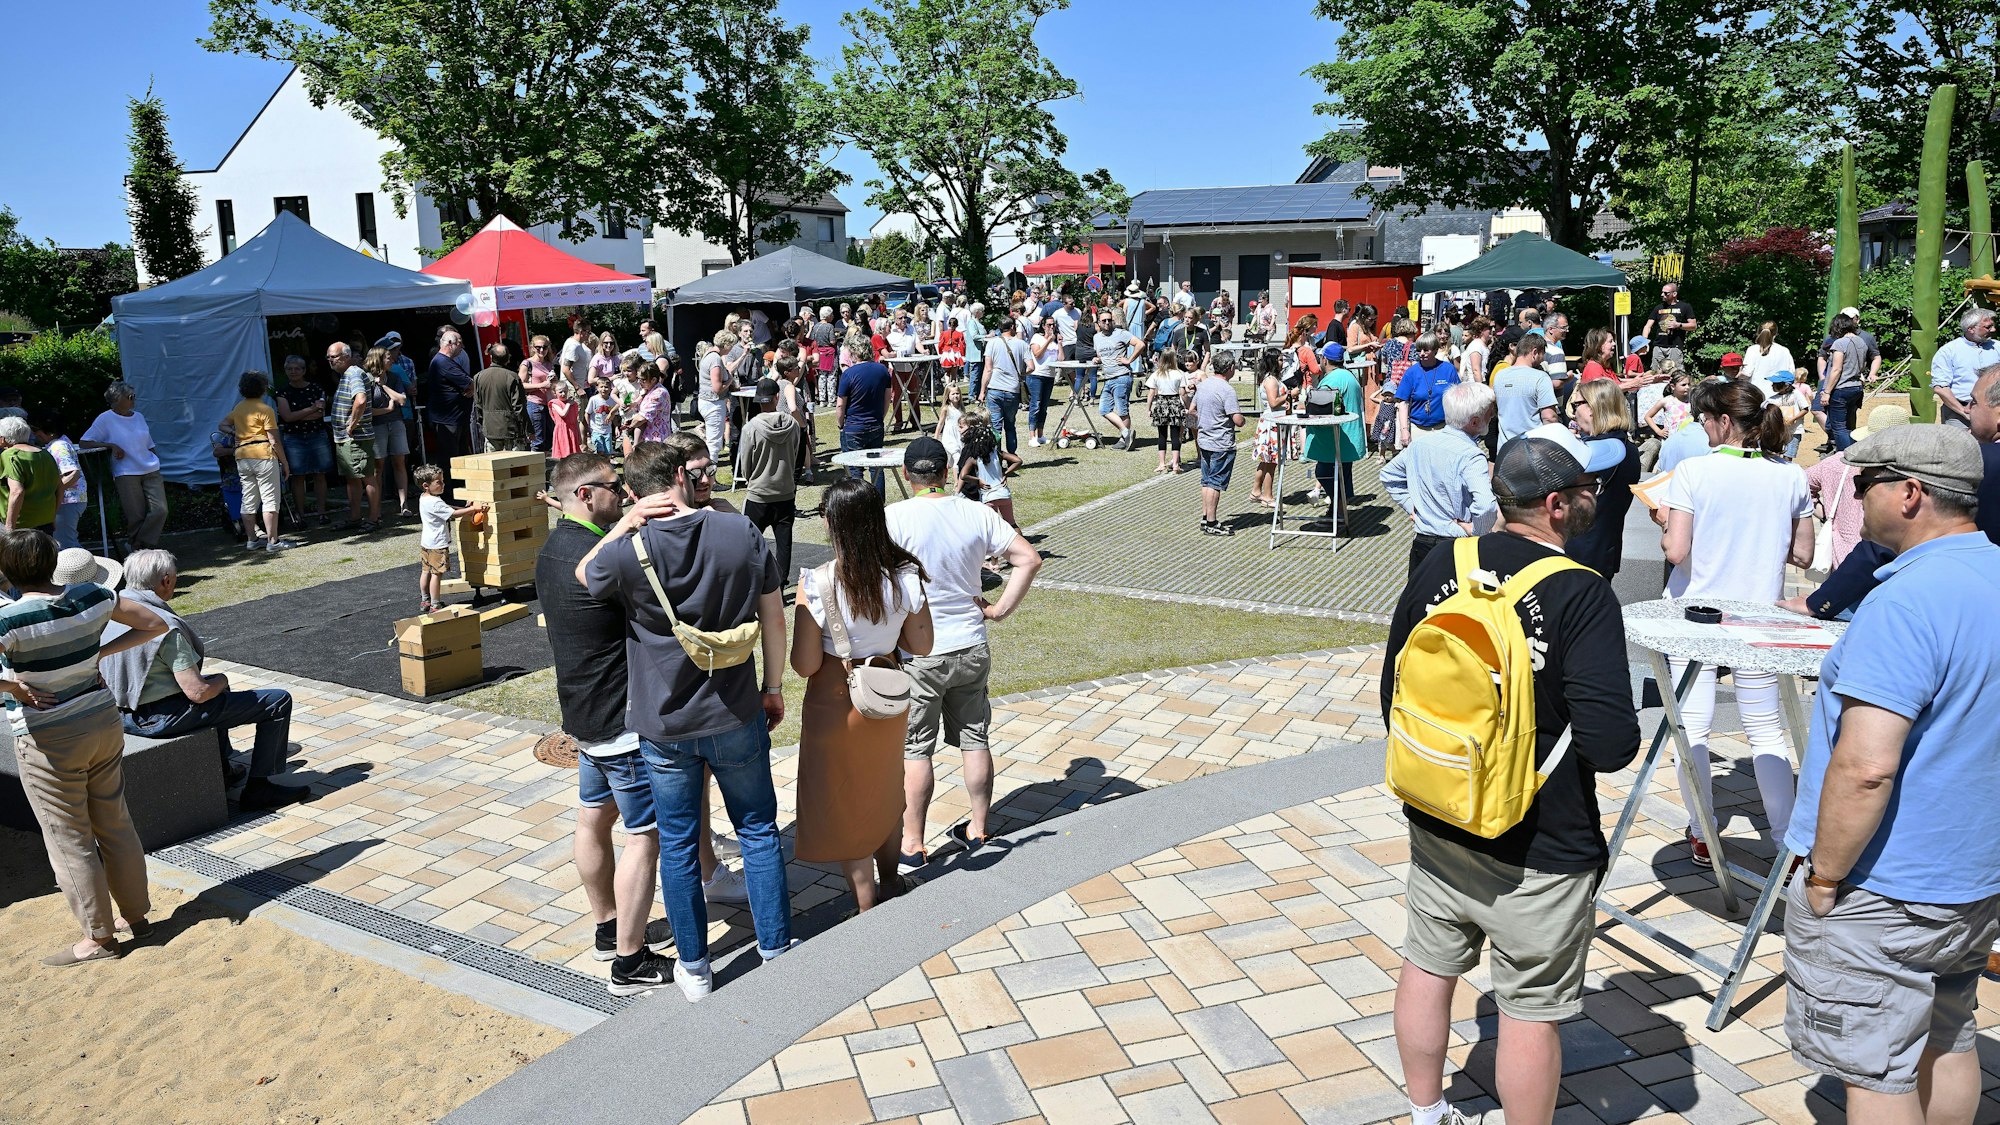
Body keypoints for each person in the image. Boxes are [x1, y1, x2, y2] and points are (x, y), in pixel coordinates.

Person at [1382, 430, 1639, 1125]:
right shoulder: (1581, 595)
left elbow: (1393, 689)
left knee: (1429, 965)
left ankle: (1427, 1111)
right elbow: (1612, 744)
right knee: (1530, 1009)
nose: (1594, 495)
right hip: (1539, 841)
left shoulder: (1445, 558)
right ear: (1556, 506)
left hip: (1441, 810)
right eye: (1586, 488)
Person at [1780, 422, 1999, 1120]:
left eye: (1866, 483)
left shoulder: (1904, 601)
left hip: (1885, 885)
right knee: (1950, 1032)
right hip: (1971, 876)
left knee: (1876, 1071)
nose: (1854, 496)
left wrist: (1823, 876)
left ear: (1910, 493)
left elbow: (1867, 765)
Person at [580, 438, 791, 1002]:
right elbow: (774, 616)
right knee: (758, 832)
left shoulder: (627, 549)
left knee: (676, 844)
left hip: (663, 722)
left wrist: (624, 523)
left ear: (632, 491)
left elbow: (584, 574)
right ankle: (775, 947)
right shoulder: (740, 531)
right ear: (682, 475)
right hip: (735, 710)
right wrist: (772, 687)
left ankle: (695, 967)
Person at [534, 453, 678, 995]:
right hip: (619, 720)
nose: (625, 496)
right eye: (616, 488)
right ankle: (630, 961)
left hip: (581, 714)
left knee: (593, 818)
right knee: (645, 836)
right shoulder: (601, 554)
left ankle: (607, 925)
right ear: (586, 495)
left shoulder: (552, 548)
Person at [0, 532, 170, 966]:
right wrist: (99, 653)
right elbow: (154, 624)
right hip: (101, 719)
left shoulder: (9, 620)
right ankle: (138, 916)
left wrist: (15, 688)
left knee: (69, 838)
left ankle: (99, 937)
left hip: (48, 737)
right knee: (115, 823)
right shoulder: (92, 595)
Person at [1661, 379, 1811, 866]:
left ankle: (1701, 829)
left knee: (1694, 728)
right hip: (1758, 616)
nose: (1701, 426)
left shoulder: (1693, 472)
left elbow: (1677, 550)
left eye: (1705, 418)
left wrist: (1666, 521)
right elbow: (1804, 554)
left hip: (1696, 615)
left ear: (1725, 421)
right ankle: (1787, 841)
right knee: (1766, 729)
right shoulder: (1789, 475)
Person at [885, 437, 1041, 864]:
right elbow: (1029, 558)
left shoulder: (892, 518)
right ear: (948, 470)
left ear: (906, 474)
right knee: (974, 739)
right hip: (971, 642)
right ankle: (978, 826)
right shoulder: (976, 512)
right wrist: (999, 610)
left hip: (919, 651)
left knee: (916, 747)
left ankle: (913, 842)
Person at [792, 478, 935, 912]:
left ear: (830, 522)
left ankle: (865, 901)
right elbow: (922, 645)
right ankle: (890, 879)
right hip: (886, 693)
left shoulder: (816, 583)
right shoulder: (905, 576)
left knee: (845, 798)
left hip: (835, 699)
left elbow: (805, 665)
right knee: (884, 788)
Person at [103, 546, 311, 813]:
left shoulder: (112, 616)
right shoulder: (163, 625)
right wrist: (222, 679)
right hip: (161, 718)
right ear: (167, 581)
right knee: (276, 701)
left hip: (123, 715)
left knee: (218, 697)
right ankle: (259, 788)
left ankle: (223, 771)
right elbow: (197, 693)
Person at [1382, 382, 1498, 576]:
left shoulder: (1421, 445)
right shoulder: (1471, 455)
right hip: (1458, 546)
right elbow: (1486, 505)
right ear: (1475, 422)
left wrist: (1412, 505)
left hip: (1423, 543)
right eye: (1490, 411)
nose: (1493, 415)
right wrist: (1478, 530)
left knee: (1421, 602)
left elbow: (1388, 475)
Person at [1560, 380, 1639, 578]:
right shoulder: (1628, 448)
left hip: (1579, 554)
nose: (1573, 412)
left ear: (1592, 409)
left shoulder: (1598, 453)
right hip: (1602, 550)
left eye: (1576, 405)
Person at [79, 383, 167, 553]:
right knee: (136, 516)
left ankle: (136, 544)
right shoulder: (105, 419)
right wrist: (111, 445)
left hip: (150, 469)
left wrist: (156, 459)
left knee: (160, 510)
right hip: (126, 472)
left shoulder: (139, 416)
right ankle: (141, 550)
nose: (134, 400)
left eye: (134, 396)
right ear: (117, 399)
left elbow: (148, 443)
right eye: (130, 397)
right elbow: (85, 442)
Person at [738, 377, 803, 582]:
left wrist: (751, 478)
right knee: (784, 544)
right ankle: (781, 583)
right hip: (785, 492)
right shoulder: (792, 424)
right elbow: (794, 453)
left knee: (750, 542)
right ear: (777, 397)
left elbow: (745, 463)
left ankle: (756, 582)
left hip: (759, 494)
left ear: (758, 400)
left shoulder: (751, 427)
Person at [215, 372, 288, 551]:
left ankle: (252, 540)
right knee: (270, 499)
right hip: (263, 454)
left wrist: (234, 433)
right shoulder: (265, 410)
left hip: (243, 456)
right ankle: (273, 541)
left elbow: (222, 425)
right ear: (263, 388)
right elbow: (274, 440)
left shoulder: (239, 408)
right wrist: (285, 462)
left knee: (248, 499)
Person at [1300, 344, 1366, 530]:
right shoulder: (1348, 375)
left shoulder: (1333, 379)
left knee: (1325, 473)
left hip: (1337, 438)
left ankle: (1338, 513)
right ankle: (1337, 510)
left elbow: (1319, 407)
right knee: (1341, 475)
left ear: (1325, 360)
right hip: (1348, 437)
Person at [325, 342, 382, 531]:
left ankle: (373, 519)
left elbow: (361, 399)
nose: (330, 360)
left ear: (346, 356)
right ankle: (355, 517)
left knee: (367, 477)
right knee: (352, 478)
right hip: (346, 438)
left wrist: (352, 424)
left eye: (334, 357)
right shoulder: (346, 375)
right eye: (329, 357)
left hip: (356, 438)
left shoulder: (354, 373)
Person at [413, 464, 485, 612]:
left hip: (426, 543)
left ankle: (425, 600)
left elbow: (447, 508)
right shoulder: (435, 502)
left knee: (426, 571)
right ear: (426, 485)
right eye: (439, 482)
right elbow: (452, 514)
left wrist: (465, 508)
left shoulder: (424, 498)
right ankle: (435, 604)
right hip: (437, 544)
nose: (443, 485)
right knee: (436, 574)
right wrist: (472, 509)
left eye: (443, 481)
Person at [1190, 352, 1247, 535]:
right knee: (1215, 483)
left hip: (1204, 440)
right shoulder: (1227, 390)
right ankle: (1212, 522)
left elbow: (1192, 410)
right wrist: (1243, 419)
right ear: (1230, 368)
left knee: (1206, 481)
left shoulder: (1203, 385)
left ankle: (1205, 517)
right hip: (1221, 442)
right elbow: (1237, 420)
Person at [274, 355, 334, 527]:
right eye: (289, 369)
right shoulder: (282, 391)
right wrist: (311, 409)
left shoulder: (316, 388)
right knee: (298, 477)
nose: (293, 372)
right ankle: (300, 515)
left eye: (297, 368)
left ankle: (322, 512)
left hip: (317, 434)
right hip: (294, 438)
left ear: (304, 370)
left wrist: (301, 414)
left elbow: (319, 414)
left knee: (320, 474)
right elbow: (287, 416)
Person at [1931, 307, 1996, 430]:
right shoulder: (1948, 351)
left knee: (1992, 449)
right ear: (1971, 329)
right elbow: (1941, 388)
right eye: (1988, 327)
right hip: (1958, 416)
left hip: (1993, 412)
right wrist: (1963, 411)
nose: (1993, 329)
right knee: (1958, 448)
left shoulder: (1997, 347)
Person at [371, 337, 415, 518]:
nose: (393, 360)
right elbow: (365, 409)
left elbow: (402, 399)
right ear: (379, 359)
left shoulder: (394, 376)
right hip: (377, 426)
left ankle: (404, 504)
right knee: (378, 466)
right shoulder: (366, 379)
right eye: (388, 357)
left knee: (400, 462)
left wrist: (384, 386)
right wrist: (386, 408)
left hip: (396, 423)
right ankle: (376, 508)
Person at [956, 403, 1020, 528]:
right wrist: (1005, 473)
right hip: (1002, 493)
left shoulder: (972, 455)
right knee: (1011, 523)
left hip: (983, 495)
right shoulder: (996, 452)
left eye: (961, 427)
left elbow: (963, 475)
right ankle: (1022, 545)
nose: (959, 430)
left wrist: (960, 489)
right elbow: (1018, 460)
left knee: (987, 526)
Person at [836, 352, 892, 493]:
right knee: (876, 467)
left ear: (855, 354)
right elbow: (887, 399)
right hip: (875, 424)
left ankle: (859, 503)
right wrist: (881, 417)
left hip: (854, 427)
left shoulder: (848, 374)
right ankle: (878, 502)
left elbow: (840, 405)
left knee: (855, 469)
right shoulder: (882, 370)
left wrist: (840, 424)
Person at [1396, 334, 1462, 446]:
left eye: (1426, 350)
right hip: (1418, 428)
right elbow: (1403, 403)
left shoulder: (1448, 369)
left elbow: (1458, 398)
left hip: (1443, 428)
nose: (1421, 354)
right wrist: (1404, 431)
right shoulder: (1411, 372)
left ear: (1435, 350)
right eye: (1418, 350)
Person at [1820, 312, 1873, 449]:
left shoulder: (1840, 343)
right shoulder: (1861, 341)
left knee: (1839, 427)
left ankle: (1845, 459)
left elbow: (1836, 370)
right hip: (1856, 388)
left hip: (1841, 389)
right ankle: (1853, 454)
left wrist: (1826, 392)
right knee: (1849, 426)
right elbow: (1863, 365)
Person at [978, 317, 1031, 455]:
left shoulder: (992, 343)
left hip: (995, 388)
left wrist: (982, 391)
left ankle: (996, 457)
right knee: (1010, 425)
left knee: (995, 426)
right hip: (1012, 390)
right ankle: (1012, 456)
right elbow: (1031, 367)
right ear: (1012, 327)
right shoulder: (1022, 344)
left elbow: (988, 369)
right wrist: (1020, 373)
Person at [1492, 334, 1556, 445]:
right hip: (1533, 448)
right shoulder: (1541, 377)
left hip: (1505, 448)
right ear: (1534, 352)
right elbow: (1549, 417)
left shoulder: (1499, 376)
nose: (1543, 359)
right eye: (1542, 354)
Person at [32, 417, 86, 551]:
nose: (35, 436)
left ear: (51, 432)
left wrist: (54, 490)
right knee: (64, 543)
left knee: (67, 546)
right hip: (69, 500)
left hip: (68, 500)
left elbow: (73, 473)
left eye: (39, 434)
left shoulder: (59, 446)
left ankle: (86, 570)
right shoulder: (58, 443)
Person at [1092, 308, 1141, 450]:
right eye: (1104, 320)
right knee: (1104, 409)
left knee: (1122, 411)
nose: (1107, 323)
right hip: (1108, 378)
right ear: (1099, 323)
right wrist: (1097, 359)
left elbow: (1140, 344)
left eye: (1109, 320)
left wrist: (1129, 360)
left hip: (1121, 377)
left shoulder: (1121, 333)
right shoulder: (1097, 337)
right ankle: (1126, 433)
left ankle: (1124, 440)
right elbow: (1102, 356)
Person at [425, 330, 475, 469]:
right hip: (448, 420)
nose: (462, 346)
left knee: (459, 455)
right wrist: (471, 388)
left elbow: (469, 383)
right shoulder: (443, 362)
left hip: (455, 418)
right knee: (450, 458)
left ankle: (457, 487)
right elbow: (470, 383)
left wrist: (470, 389)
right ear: (450, 344)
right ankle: (449, 489)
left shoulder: (448, 362)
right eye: (460, 343)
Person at [473, 342, 529, 454]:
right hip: (511, 429)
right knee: (514, 466)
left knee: (494, 466)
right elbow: (519, 407)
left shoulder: (478, 377)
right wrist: (527, 429)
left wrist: (484, 422)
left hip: (490, 427)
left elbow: (478, 405)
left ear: (491, 357)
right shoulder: (512, 376)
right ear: (508, 358)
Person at [1146, 346, 1191, 474]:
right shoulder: (1179, 374)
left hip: (1161, 404)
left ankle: (1162, 464)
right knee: (1176, 435)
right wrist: (1187, 407)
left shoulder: (1156, 374)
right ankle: (1176, 464)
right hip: (1175, 403)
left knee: (1162, 435)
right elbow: (1183, 393)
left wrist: (1148, 409)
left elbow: (1151, 393)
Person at [1641, 281, 1697, 370]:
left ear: (1674, 294)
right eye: (1662, 292)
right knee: (1655, 372)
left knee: (1676, 373)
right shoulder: (1658, 308)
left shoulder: (1685, 307)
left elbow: (1693, 326)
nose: (1662, 295)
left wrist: (1678, 325)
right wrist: (1643, 342)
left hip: (1675, 347)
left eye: (1666, 293)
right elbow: (1647, 326)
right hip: (1658, 346)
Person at [1026, 314, 1061, 447]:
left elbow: (1060, 358)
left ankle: (1040, 435)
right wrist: (1047, 340)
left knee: (1044, 406)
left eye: (1053, 325)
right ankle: (1032, 436)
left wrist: (1060, 343)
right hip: (1036, 375)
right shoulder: (1037, 338)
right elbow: (1037, 354)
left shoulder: (1055, 341)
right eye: (1049, 325)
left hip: (1049, 375)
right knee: (1036, 405)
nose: (1051, 327)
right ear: (1043, 326)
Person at [519, 335, 558, 453]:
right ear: (532, 348)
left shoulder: (549, 363)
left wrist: (554, 382)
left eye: (544, 347)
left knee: (548, 441)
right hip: (535, 404)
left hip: (549, 405)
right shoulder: (527, 364)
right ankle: (537, 469)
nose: (541, 350)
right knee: (537, 440)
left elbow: (552, 385)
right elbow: (520, 386)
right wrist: (541, 385)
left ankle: (543, 468)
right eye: (538, 347)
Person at [585, 377, 619, 457]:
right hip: (596, 429)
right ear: (597, 387)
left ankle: (606, 465)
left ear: (611, 388)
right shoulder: (593, 399)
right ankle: (599, 465)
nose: (604, 389)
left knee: (608, 452)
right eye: (601, 387)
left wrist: (616, 427)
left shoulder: (612, 400)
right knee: (600, 450)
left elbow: (614, 415)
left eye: (606, 387)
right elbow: (587, 413)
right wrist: (588, 426)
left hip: (607, 430)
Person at [1459, 316, 1494, 385]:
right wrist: (1482, 389)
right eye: (1489, 328)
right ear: (1481, 330)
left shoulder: (1482, 345)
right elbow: (1476, 370)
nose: (1492, 330)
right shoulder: (1476, 346)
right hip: (1475, 387)